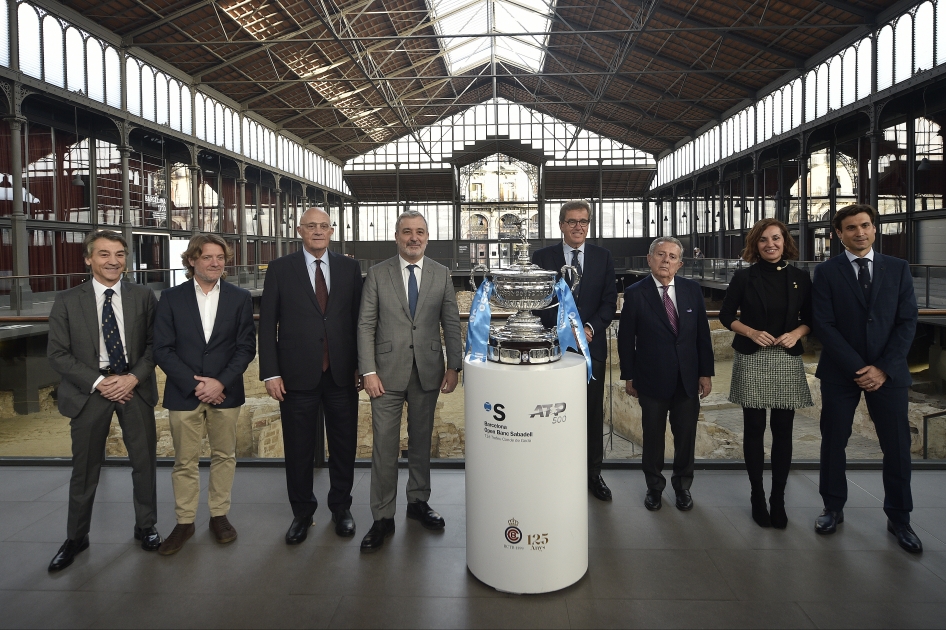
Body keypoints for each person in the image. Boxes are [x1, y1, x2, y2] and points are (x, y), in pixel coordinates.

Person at [46, 230, 162, 571]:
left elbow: (156, 346)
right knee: (84, 470)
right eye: (104, 254)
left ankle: (146, 526)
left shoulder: (143, 296)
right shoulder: (67, 300)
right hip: (88, 393)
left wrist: (130, 378)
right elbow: (57, 354)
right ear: (88, 259)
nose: (113, 261)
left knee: (144, 463)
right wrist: (100, 382)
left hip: (133, 387)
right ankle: (76, 537)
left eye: (119, 254)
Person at [812, 203, 921, 553]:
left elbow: (907, 322)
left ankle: (900, 518)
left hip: (889, 373)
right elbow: (824, 325)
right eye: (851, 228)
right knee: (833, 442)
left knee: (898, 447)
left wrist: (883, 368)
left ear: (875, 229)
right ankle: (832, 507)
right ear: (838, 234)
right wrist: (860, 368)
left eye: (865, 226)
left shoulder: (899, 269)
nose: (859, 232)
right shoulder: (826, 273)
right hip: (842, 373)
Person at [357, 210, 463, 552]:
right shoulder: (377, 274)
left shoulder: (441, 273)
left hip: (429, 370)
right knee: (384, 447)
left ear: (427, 237)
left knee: (421, 442)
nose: (413, 237)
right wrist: (368, 371)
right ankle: (382, 517)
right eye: (406, 232)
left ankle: (418, 501)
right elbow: (365, 326)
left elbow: (450, 322)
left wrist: (454, 366)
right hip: (385, 375)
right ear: (397, 236)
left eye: (419, 232)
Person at [259, 207, 364, 544]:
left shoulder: (350, 268)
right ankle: (302, 514)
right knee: (299, 448)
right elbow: (267, 326)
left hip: (341, 373)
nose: (318, 231)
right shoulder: (279, 269)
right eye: (311, 226)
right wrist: (271, 372)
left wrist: (363, 365)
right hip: (295, 376)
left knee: (344, 445)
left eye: (324, 226)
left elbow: (359, 321)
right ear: (299, 230)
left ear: (332, 230)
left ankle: (341, 507)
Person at [152, 235, 256, 554]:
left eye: (220, 257)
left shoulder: (240, 298)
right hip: (185, 393)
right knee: (185, 460)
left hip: (226, 393)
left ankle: (218, 515)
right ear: (192, 260)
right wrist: (196, 384)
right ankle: (184, 522)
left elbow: (245, 348)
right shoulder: (170, 298)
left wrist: (219, 382)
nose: (215, 262)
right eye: (208, 257)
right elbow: (163, 349)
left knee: (225, 456)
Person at [719, 219, 812, 529]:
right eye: (763, 240)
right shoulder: (745, 277)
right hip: (753, 356)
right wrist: (751, 331)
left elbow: (811, 318)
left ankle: (778, 498)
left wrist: (797, 333)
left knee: (783, 430)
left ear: (785, 241)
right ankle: (757, 495)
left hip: (786, 357)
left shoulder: (800, 277)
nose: (770, 244)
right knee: (755, 428)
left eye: (776, 238)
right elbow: (726, 315)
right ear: (755, 245)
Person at [618, 236, 714, 512]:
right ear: (650, 260)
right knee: (653, 437)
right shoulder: (636, 293)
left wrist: (705, 373)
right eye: (660, 255)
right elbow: (626, 340)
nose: (666, 261)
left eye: (672, 257)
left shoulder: (692, 290)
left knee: (686, 437)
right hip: (650, 378)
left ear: (680, 264)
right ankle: (654, 488)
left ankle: (683, 487)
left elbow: (702, 337)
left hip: (687, 379)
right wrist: (629, 375)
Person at [532, 200, 617, 501]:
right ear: (561, 225)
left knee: (592, 415)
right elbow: (537, 302)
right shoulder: (542, 257)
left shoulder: (603, 257)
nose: (578, 227)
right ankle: (552, 473)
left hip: (590, 350)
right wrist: (558, 332)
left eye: (583, 221)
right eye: (572, 222)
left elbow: (609, 301)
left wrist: (590, 329)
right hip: (553, 349)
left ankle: (593, 475)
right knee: (550, 412)